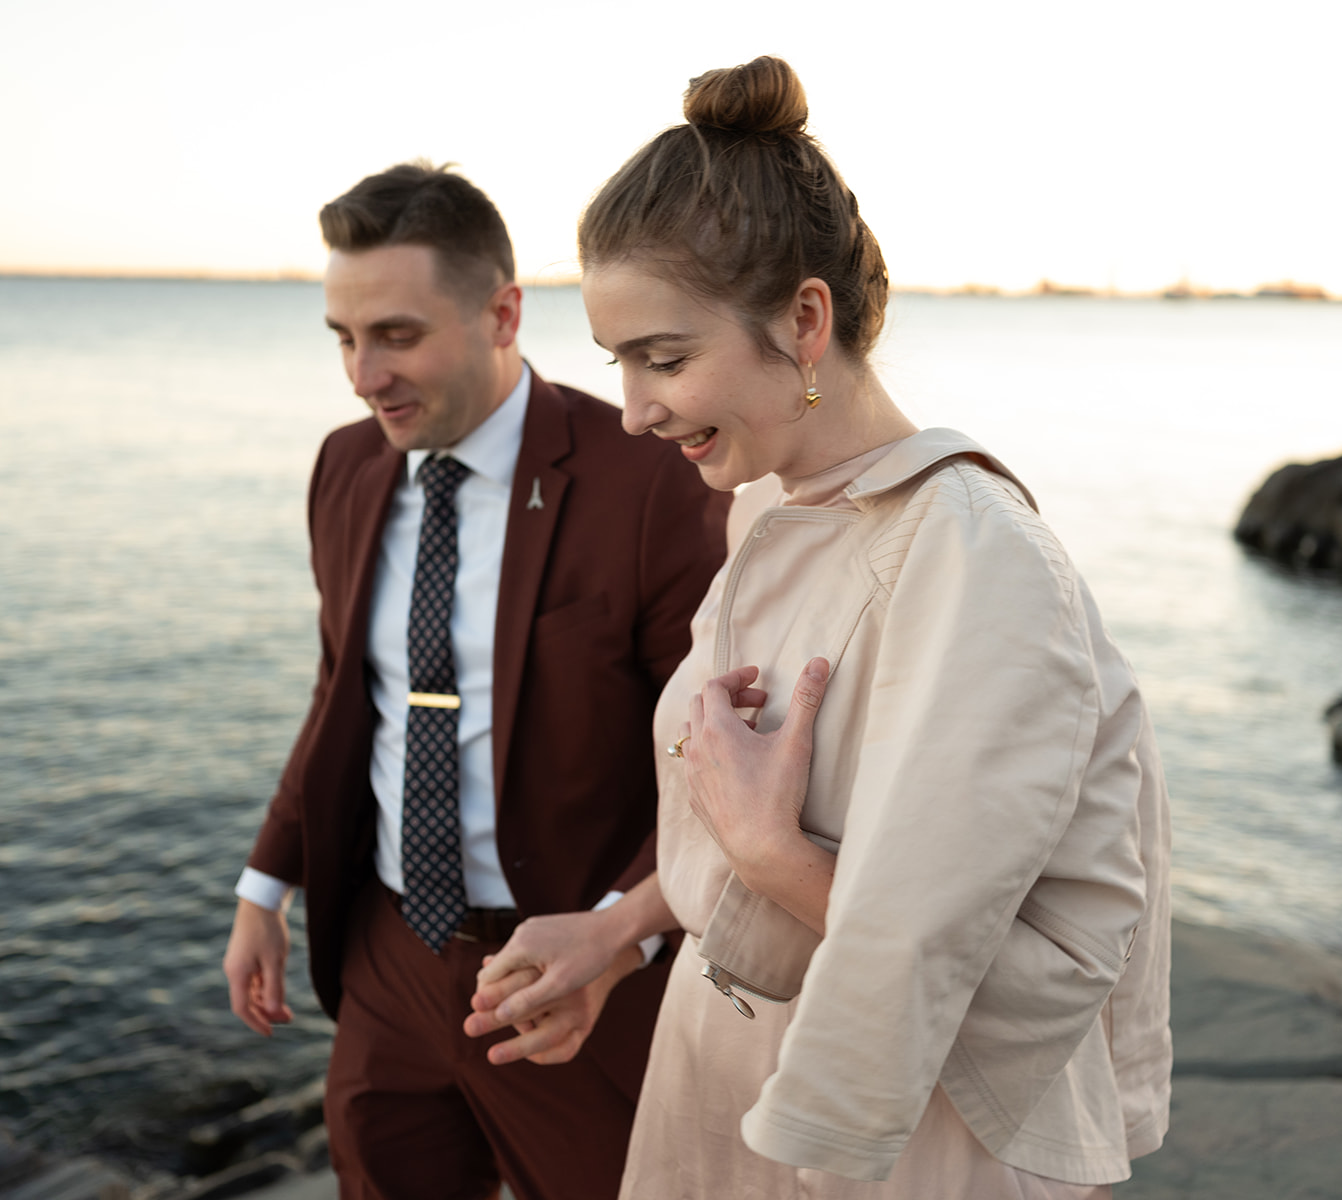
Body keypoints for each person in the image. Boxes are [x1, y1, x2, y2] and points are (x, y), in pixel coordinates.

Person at [471, 56, 1172, 1199]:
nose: (634, 410)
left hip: (901, 1143)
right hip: (718, 1072)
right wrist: (622, 931)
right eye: (618, 364)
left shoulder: (972, 557)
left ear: (804, 320)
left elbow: (1024, 971)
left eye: (665, 358)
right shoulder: (770, 512)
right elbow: (748, 834)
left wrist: (768, 854)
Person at [220, 162, 729, 1200]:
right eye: (344, 339)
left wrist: (616, 944)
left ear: (503, 314)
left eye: (397, 335)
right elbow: (341, 691)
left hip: (573, 970)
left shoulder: (646, 480)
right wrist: (264, 886)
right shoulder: (344, 468)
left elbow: (711, 755)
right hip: (388, 952)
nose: (364, 376)